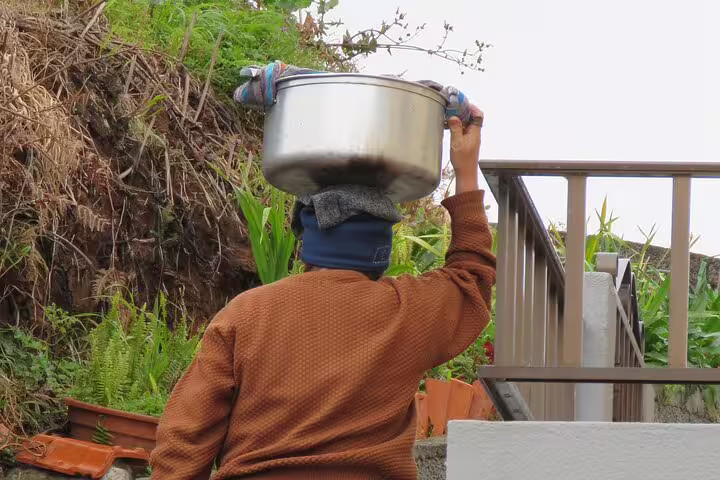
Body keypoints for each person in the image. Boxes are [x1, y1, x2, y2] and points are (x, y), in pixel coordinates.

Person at [150, 104, 496, 479]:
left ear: (306, 241)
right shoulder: (407, 311)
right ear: (381, 245)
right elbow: (471, 276)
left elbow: (185, 439)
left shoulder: (247, 314)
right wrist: (465, 171)